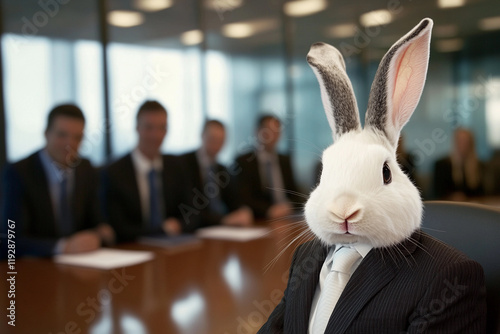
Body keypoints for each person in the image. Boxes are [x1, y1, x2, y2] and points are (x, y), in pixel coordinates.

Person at [0, 104, 112, 257]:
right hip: (37, 268)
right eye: (62, 135)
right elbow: (10, 241)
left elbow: (97, 221)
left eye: (77, 137)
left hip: (82, 267)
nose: (70, 144)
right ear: (46, 134)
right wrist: (62, 247)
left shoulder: (86, 169)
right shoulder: (19, 172)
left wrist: (100, 233)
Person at [101, 100, 196, 243]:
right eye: (149, 127)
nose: (156, 135)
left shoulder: (176, 166)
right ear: (137, 128)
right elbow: (118, 228)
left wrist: (179, 225)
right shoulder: (114, 172)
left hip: (173, 249)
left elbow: (193, 213)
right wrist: (162, 229)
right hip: (132, 250)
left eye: (162, 128)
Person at [179, 120, 253, 227]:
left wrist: (242, 210)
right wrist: (222, 220)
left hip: (221, 230)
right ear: (202, 135)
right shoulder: (184, 164)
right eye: (212, 139)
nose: (216, 145)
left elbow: (233, 200)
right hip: (195, 229)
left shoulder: (222, 168)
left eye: (221, 140)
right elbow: (189, 207)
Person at [235, 114, 303, 220]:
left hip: (288, 216)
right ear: (258, 131)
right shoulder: (244, 161)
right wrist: (268, 210)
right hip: (261, 219)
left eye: (277, 131)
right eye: (268, 131)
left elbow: (295, 192)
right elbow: (244, 198)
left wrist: (289, 206)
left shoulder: (284, 160)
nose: (273, 135)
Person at [433, 128, 484, 200]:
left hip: (473, 206)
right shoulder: (442, 165)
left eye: (466, 142)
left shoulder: (479, 166)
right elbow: (436, 193)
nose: (463, 145)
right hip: (450, 207)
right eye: (460, 141)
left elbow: (483, 193)